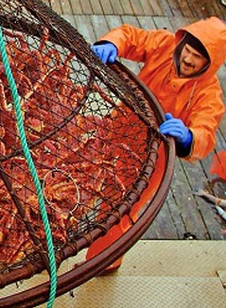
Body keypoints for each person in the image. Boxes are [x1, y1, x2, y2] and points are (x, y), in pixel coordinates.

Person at [86, 16, 226, 272]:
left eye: (197, 57)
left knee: (120, 212)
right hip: (119, 130)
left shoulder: (209, 94)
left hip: (152, 159)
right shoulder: (164, 45)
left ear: (210, 63)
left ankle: (101, 264)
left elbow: (206, 131)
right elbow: (130, 36)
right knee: (80, 177)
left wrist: (188, 137)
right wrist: (112, 43)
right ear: (182, 42)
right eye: (188, 50)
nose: (187, 59)